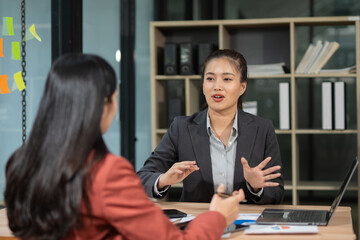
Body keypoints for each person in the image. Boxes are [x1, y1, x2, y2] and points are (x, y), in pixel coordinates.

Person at [4, 53, 245, 240]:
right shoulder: (107, 172)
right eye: (115, 98)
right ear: (103, 105)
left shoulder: (20, 162)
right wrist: (217, 217)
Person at [137, 49, 284, 204]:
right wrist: (164, 179)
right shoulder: (181, 127)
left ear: (242, 87)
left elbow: (277, 192)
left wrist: (256, 187)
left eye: (227, 79)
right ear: (203, 85)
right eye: (210, 79)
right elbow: (142, 177)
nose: (217, 86)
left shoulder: (262, 129)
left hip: (245, 222)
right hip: (198, 222)